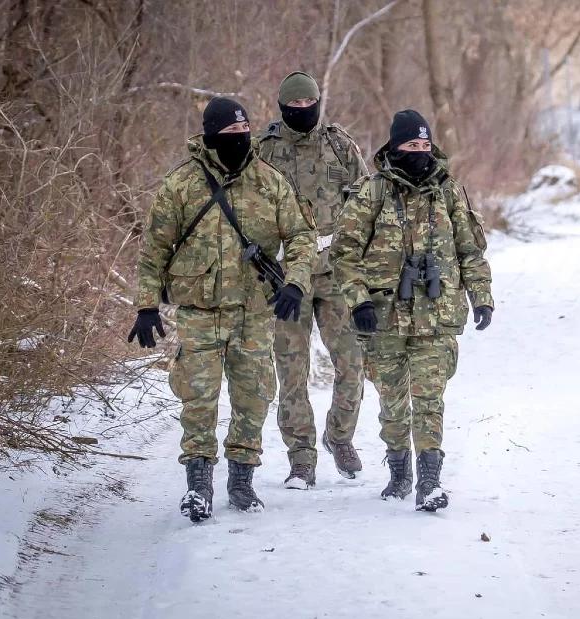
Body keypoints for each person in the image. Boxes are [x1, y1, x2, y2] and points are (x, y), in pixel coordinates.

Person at [128, 96, 316, 522]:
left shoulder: (270, 182)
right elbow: (154, 249)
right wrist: (146, 304)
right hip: (199, 310)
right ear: (211, 136)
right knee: (198, 398)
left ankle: (242, 480)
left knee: (253, 397)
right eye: (229, 134)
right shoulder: (181, 185)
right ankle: (198, 484)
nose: (239, 138)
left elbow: (302, 236)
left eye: (244, 131)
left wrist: (296, 281)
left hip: (254, 311)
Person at [330, 109, 493, 512]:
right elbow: (344, 253)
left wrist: (482, 296)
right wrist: (359, 300)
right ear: (395, 146)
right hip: (383, 318)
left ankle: (430, 482)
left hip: (437, 316)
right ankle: (400, 471)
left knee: (429, 397)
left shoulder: (449, 191)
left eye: (424, 144)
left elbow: (471, 250)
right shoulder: (372, 192)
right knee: (393, 402)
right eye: (411, 145)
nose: (419, 152)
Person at [256, 71, 370, 489]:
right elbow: (249, 211)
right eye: (295, 108)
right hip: (288, 278)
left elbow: (365, 202)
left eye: (310, 106)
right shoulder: (264, 151)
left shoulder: (340, 145)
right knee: (291, 369)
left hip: (338, 272)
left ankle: (339, 437)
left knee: (352, 362)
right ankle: (301, 458)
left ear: (319, 103)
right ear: (282, 108)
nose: (303, 113)